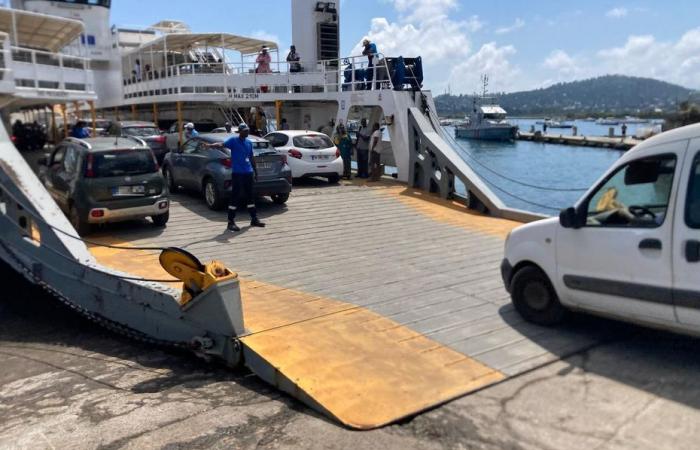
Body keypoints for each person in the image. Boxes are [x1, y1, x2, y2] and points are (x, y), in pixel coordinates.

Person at [204, 124, 265, 231]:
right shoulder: (233, 141)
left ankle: (254, 218)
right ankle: (230, 222)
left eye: (247, 130)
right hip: (238, 173)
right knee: (235, 196)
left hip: (248, 172)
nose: (247, 132)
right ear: (240, 132)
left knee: (250, 196)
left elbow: (251, 157)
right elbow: (221, 145)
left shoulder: (249, 142)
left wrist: (256, 171)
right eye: (245, 131)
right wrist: (210, 146)